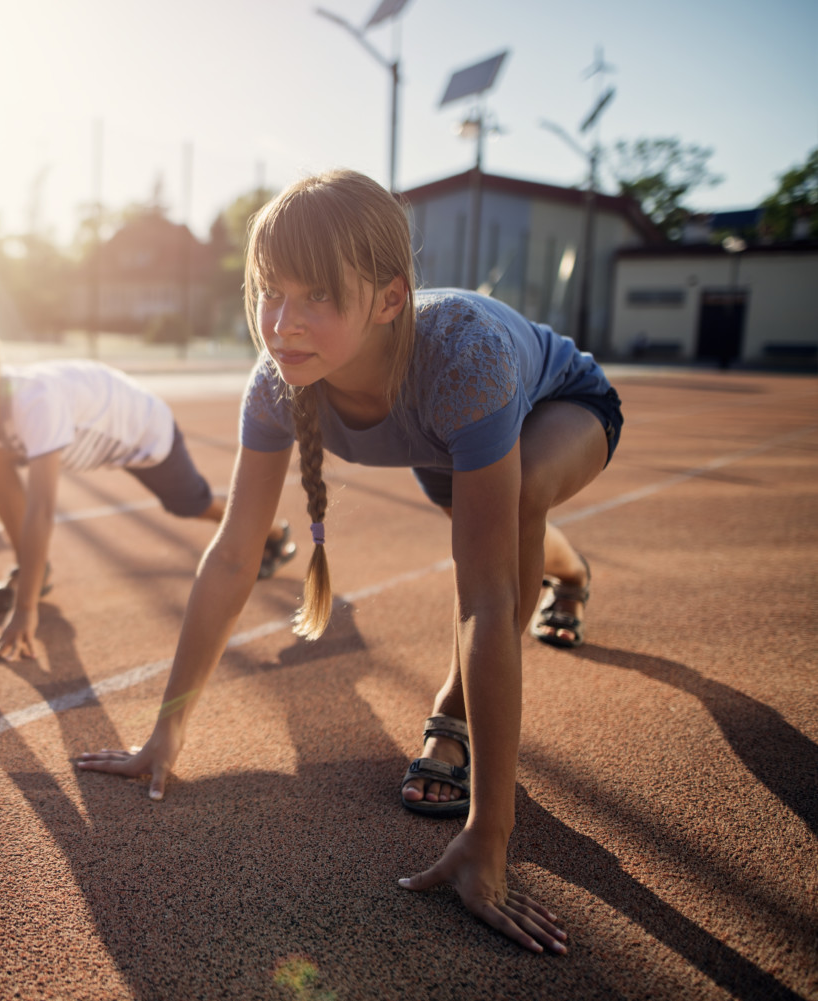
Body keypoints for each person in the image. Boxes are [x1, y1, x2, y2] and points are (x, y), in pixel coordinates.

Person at [76, 170, 624, 955]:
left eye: (318, 298)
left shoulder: (462, 359)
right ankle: (570, 573)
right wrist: (164, 734)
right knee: (505, 525)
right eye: (271, 292)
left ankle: (453, 712)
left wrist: (489, 835)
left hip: (562, 406)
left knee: (521, 503)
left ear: (391, 297)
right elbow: (234, 555)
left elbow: (488, 604)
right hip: (450, 440)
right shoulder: (274, 386)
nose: (283, 324)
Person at [0, 292, 298, 660]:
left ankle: (271, 534)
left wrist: (24, 610)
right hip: (95, 429)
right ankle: (32, 571)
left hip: (144, 434)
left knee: (190, 505)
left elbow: (41, 510)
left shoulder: (34, 404)